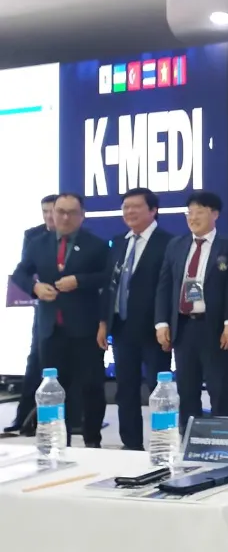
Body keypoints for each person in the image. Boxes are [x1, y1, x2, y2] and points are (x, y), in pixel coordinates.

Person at [11, 193, 109, 447]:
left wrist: (79, 281)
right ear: (52, 214)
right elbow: (20, 273)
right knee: (53, 389)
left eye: (72, 212)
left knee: (91, 388)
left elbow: (108, 277)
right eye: (60, 212)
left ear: (82, 215)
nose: (65, 217)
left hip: (85, 329)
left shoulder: (96, 245)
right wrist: (35, 288)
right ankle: (57, 442)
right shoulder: (38, 243)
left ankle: (92, 441)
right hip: (51, 329)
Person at [155, 191, 228, 430]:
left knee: (218, 389)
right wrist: (162, 323)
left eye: (199, 212)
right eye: (189, 213)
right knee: (186, 389)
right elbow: (164, 286)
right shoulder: (176, 245)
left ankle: (222, 437)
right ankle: (188, 438)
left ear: (215, 214)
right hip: (183, 327)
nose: (192, 218)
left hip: (214, 327)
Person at [100, 188, 173, 451]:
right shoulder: (119, 242)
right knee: (126, 389)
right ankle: (130, 444)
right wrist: (104, 322)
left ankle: (164, 442)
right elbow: (110, 286)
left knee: (158, 389)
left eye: (136, 206)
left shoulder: (169, 242)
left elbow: (170, 288)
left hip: (154, 330)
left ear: (153, 210)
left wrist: (165, 324)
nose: (129, 212)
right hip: (122, 327)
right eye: (125, 207)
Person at [5, 194, 57, 436]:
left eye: (52, 210)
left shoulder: (80, 235)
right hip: (44, 306)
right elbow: (23, 272)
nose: (49, 216)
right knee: (36, 360)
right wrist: (35, 287)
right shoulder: (33, 236)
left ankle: (72, 418)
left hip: (73, 308)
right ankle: (23, 418)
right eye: (44, 211)